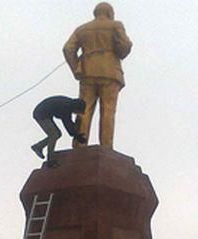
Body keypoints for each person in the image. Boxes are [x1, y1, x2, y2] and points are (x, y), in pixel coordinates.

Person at [63, 2, 132, 149]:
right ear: (109, 13)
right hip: (110, 72)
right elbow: (125, 46)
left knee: (83, 109)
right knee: (108, 110)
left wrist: (76, 68)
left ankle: (79, 145)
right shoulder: (115, 25)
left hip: (87, 73)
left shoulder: (82, 29)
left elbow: (68, 49)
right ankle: (106, 147)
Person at [30, 96, 87, 166]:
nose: (76, 113)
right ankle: (50, 160)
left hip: (45, 113)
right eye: (78, 111)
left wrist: (76, 134)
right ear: (77, 108)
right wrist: (77, 136)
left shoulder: (69, 104)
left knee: (57, 134)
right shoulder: (66, 107)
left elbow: (68, 122)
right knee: (54, 135)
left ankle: (38, 146)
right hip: (41, 114)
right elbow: (67, 123)